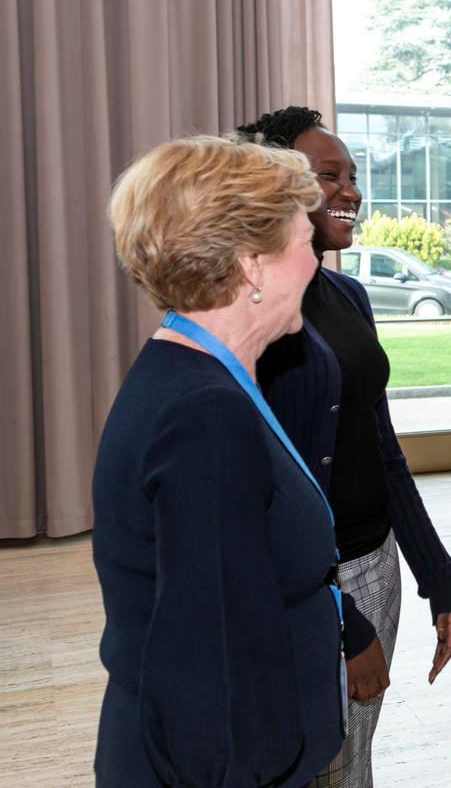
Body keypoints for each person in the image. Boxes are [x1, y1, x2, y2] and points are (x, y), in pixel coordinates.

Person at [93, 135, 344, 785]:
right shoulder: (207, 413)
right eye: (302, 241)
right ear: (252, 265)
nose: (315, 262)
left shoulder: (188, 373)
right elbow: (209, 657)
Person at [237, 106, 451, 788]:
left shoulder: (350, 296)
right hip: (298, 585)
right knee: (297, 762)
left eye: (353, 176)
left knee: (350, 761)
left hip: (375, 564)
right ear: (272, 183)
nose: (352, 191)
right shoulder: (245, 311)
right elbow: (256, 499)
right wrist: (342, 620)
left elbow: (381, 446)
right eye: (328, 174)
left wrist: (437, 576)